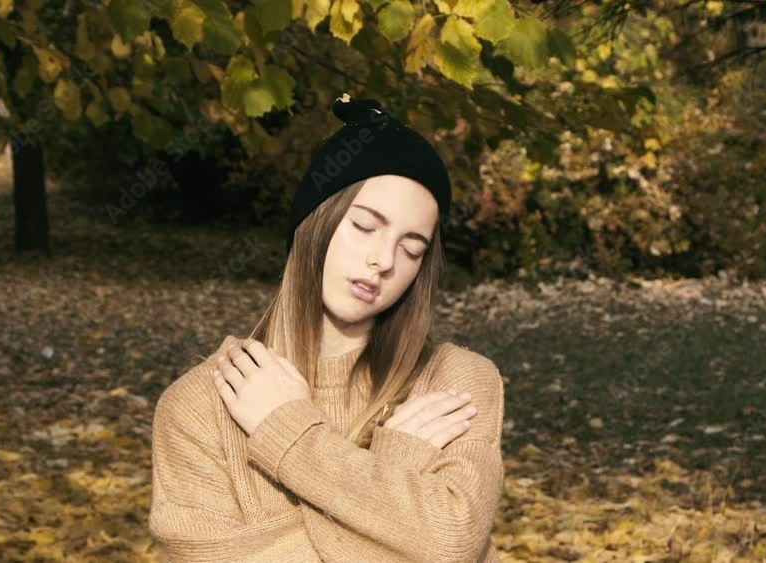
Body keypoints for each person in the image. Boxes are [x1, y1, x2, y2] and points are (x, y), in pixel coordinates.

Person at [148, 94, 505, 562]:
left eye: (412, 248)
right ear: (316, 220)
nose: (383, 260)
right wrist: (399, 480)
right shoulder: (200, 408)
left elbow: (453, 543)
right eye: (364, 226)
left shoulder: (455, 384)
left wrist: (290, 431)